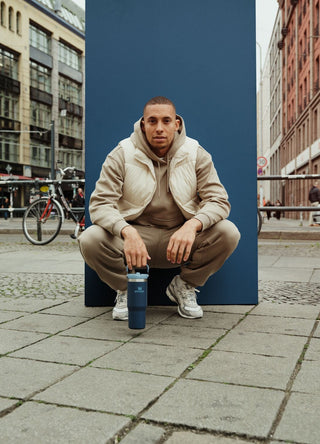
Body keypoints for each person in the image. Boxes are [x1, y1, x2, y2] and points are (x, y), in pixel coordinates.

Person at [78, 96, 240, 320]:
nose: (159, 128)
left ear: (177, 124)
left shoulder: (195, 153)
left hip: (179, 239)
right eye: (152, 121)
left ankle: (184, 285)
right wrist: (127, 231)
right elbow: (100, 204)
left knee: (228, 232)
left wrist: (193, 225)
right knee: (90, 239)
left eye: (166, 121)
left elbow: (218, 200)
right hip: (134, 241)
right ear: (143, 124)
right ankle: (127, 289)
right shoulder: (122, 153)